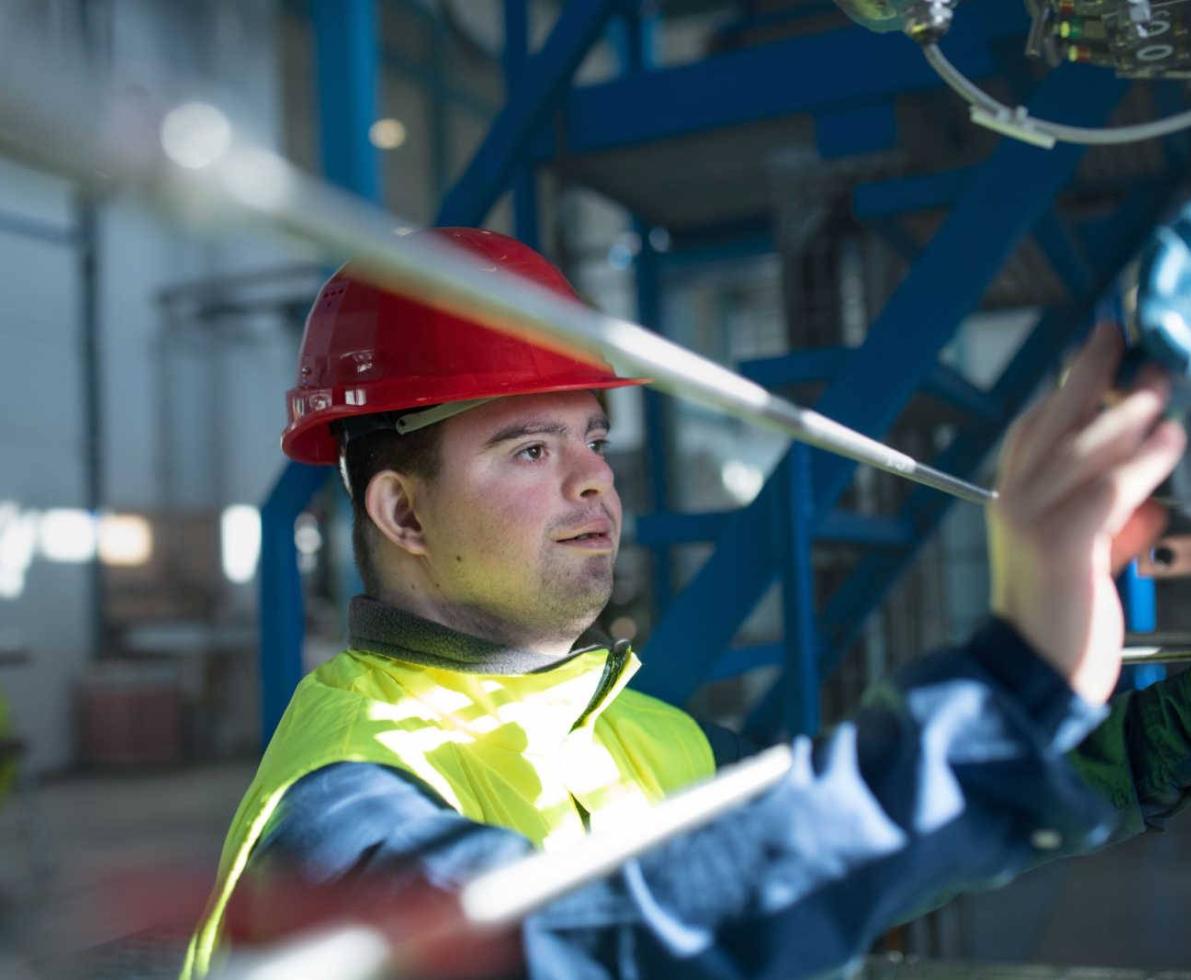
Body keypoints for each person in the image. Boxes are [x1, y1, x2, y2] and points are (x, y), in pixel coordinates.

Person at [183, 227, 1191, 979]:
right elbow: (579, 945)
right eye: (531, 447)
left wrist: (1164, 736)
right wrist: (1009, 678)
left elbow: (859, 836)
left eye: (595, 439)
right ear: (401, 509)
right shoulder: (335, 804)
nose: (594, 482)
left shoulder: (654, 739)